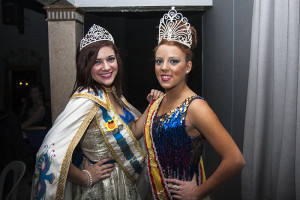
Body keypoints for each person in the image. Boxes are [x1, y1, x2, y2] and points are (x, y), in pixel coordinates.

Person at [31, 24, 163, 200]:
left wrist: (153, 104)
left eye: (111, 59)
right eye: (97, 62)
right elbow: (48, 154)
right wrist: (86, 177)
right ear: (86, 65)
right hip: (101, 188)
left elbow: (132, 132)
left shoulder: (112, 94)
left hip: (124, 182)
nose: (107, 67)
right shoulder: (85, 100)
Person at [144, 7, 246, 200]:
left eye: (173, 61)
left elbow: (235, 160)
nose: (164, 68)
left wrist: (198, 192)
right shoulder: (158, 102)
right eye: (159, 61)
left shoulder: (196, 107)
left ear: (188, 66)